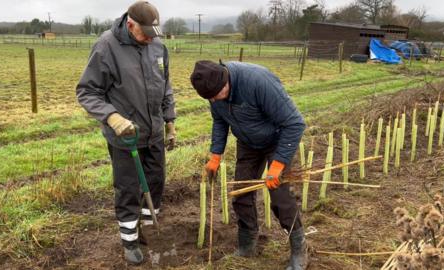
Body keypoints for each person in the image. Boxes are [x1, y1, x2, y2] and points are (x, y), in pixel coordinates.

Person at [76, 1, 176, 265]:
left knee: (155, 182)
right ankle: (129, 241)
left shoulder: (156, 46)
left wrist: (170, 122)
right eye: (145, 33)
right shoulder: (106, 47)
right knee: (128, 188)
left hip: (153, 132)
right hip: (125, 137)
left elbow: (165, 86)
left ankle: (145, 227)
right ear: (130, 25)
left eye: (153, 34)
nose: (149, 39)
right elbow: (87, 91)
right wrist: (112, 117)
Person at [190, 60, 307, 269]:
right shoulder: (212, 89)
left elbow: (295, 123)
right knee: (241, 193)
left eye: (217, 95)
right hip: (248, 142)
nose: (215, 100)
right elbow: (219, 121)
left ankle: (299, 250)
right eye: (211, 98)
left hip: (277, 141)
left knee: (280, 197)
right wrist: (215, 155)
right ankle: (247, 245)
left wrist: (278, 164)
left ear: (225, 80)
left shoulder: (258, 82)